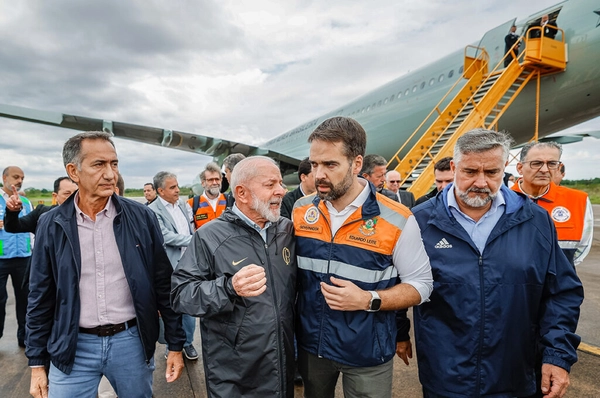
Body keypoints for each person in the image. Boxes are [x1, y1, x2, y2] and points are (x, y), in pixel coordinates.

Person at [412, 128, 583, 398]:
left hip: (516, 375)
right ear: (455, 167)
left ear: (504, 168)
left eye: (491, 173)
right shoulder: (419, 221)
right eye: (470, 171)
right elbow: (399, 284)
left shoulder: (535, 220)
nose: (481, 182)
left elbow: (561, 293)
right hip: (446, 378)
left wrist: (557, 355)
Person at [26, 131, 186, 398]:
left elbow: (163, 283)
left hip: (131, 343)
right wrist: (36, 362)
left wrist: (175, 344)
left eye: (114, 164)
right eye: (99, 165)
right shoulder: (51, 224)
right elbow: (40, 295)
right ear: (73, 171)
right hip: (72, 346)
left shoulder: (141, 218)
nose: (111, 174)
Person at [293, 116, 433, 397]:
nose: (319, 174)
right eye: (315, 164)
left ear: (357, 164)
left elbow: (422, 285)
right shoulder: (300, 210)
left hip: (367, 351)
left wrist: (369, 300)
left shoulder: (397, 219)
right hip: (313, 348)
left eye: (330, 165)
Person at [171, 156, 296, 397]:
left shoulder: (286, 229)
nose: (281, 191)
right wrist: (228, 288)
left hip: (282, 363)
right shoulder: (209, 236)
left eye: (280, 183)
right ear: (242, 193)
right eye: (271, 185)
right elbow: (181, 294)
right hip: (235, 373)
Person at [511, 141, 593, 266]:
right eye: (536, 163)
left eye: (552, 164)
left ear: (559, 167)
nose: (544, 170)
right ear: (520, 168)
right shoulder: (501, 200)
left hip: (559, 280)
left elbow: (582, 247)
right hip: (513, 281)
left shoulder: (578, 200)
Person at [149, 171, 198, 361]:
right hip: (168, 267)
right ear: (160, 191)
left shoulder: (183, 206)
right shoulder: (153, 210)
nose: (178, 190)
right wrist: (195, 240)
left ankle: (188, 343)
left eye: (177, 186)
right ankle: (172, 343)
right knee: (170, 308)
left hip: (189, 265)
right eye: (172, 187)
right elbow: (166, 237)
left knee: (189, 306)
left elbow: (188, 227)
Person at [0, 166, 33, 348]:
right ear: (4, 177)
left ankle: (24, 337)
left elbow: (33, 231)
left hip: (24, 258)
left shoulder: (27, 202)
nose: (19, 180)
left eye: (22, 177)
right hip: (1, 258)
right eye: (15, 176)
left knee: (25, 299)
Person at [4, 177, 77, 235]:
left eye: (77, 193)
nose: (73, 197)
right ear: (55, 196)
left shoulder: (85, 216)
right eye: (67, 194)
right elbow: (12, 227)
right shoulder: (42, 213)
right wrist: (12, 211)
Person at [187, 162, 227, 230]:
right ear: (203, 183)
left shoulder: (229, 201)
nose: (214, 183)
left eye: (217, 179)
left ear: (221, 180)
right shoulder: (192, 204)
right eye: (210, 180)